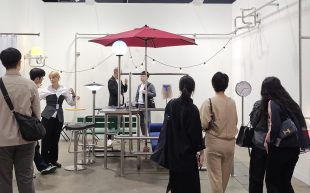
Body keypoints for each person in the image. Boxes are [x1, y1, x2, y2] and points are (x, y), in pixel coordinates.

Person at [0, 47, 39, 193]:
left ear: (3, 63)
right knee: (25, 178)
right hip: (26, 139)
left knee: (3, 180)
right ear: (19, 62)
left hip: (2, 141)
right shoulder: (30, 84)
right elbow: (37, 115)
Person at [261, 77, 310, 193]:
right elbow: (301, 126)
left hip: (280, 149)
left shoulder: (272, 103)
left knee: (272, 182)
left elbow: (275, 126)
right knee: (285, 182)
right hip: (294, 149)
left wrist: (268, 141)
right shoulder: (292, 104)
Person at [165, 75, 205, 193]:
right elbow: (196, 136)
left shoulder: (171, 105)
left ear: (179, 88)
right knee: (190, 188)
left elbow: (166, 129)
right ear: (193, 89)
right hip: (188, 159)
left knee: (176, 188)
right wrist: (201, 152)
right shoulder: (193, 109)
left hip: (174, 157)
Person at [200, 72, 238, 193]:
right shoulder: (232, 102)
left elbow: (203, 124)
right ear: (226, 85)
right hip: (230, 144)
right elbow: (235, 121)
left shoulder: (208, 102)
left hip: (214, 144)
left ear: (213, 84)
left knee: (216, 178)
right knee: (224, 178)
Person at [40, 71, 77, 168]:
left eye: (53, 77)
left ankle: (53, 160)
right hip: (47, 117)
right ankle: (44, 161)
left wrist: (73, 95)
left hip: (59, 118)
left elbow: (72, 103)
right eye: (50, 78)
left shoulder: (64, 90)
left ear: (58, 78)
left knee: (55, 139)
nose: (52, 80)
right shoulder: (46, 90)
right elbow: (36, 98)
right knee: (46, 139)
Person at [29, 68, 57, 175]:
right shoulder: (33, 88)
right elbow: (35, 106)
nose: (43, 80)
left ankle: (43, 166)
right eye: (42, 78)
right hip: (31, 120)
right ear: (37, 78)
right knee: (33, 146)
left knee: (35, 145)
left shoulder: (32, 86)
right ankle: (41, 167)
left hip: (30, 120)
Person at [248, 100, 268, 193]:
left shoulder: (259, 104)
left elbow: (253, 122)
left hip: (259, 145)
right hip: (276, 147)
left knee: (256, 178)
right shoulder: (282, 103)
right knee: (274, 180)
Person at [107, 67, 128, 146]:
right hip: (113, 105)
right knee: (112, 121)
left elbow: (124, 90)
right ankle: (109, 138)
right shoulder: (111, 81)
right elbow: (114, 91)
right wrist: (121, 89)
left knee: (120, 120)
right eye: (120, 73)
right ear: (116, 72)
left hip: (120, 105)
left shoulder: (119, 81)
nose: (121, 75)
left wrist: (125, 84)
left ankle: (117, 137)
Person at [135, 71, 156, 135]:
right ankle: (144, 135)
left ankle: (150, 135)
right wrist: (136, 101)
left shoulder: (150, 85)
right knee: (141, 121)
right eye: (141, 76)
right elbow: (137, 95)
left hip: (146, 105)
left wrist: (146, 92)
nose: (141, 77)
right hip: (139, 105)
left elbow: (154, 94)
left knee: (148, 121)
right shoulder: (139, 86)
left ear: (147, 77)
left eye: (143, 76)